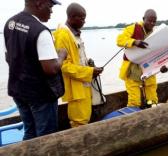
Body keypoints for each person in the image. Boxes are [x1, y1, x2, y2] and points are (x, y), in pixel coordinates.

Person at [4, 0, 67, 140]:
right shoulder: (41, 31)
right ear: (39, 3)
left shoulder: (10, 23)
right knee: (46, 136)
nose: (51, 11)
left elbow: (9, 58)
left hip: (18, 90)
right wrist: (61, 55)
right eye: (50, 6)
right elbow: (50, 69)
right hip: (40, 95)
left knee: (30, 131)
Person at [53, 3, 103, 128]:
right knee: (79, 121)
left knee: (85, 116)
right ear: (71, 17)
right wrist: (90, 72)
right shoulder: (63, 35)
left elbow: (77, 58)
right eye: (81, 18)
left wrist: (89, 65)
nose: (84, 21)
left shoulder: (73, 33)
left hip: (84, 84)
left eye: (84, 18)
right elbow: (64, 65)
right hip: (75, 88)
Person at [116, 9, 160, 108]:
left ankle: (151, 110)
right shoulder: (133, 28)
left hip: (149, 69)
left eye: (154, 21)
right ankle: (132, 114)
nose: (152, 23)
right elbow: (119, 40)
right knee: (134, 101)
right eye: (149, 21)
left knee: (152, 99)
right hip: (133, 70)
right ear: (144, 19)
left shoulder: (156, 33)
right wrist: (134, 42)